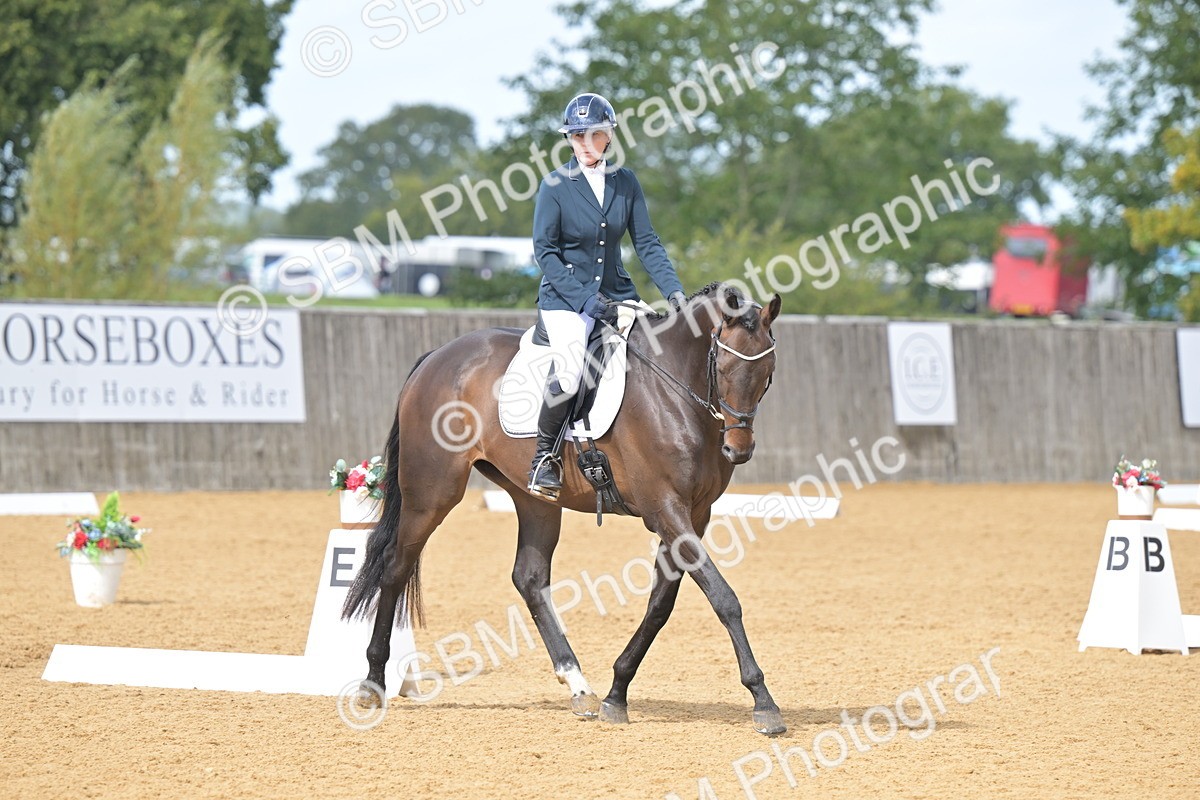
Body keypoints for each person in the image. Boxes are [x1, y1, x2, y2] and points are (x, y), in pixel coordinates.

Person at [527, 91, 686, 498]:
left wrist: (675, 294)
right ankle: (544, 458)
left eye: (592, 135)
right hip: (565, 300)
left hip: (617, 294)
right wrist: (584, 300)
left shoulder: (625, 183)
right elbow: (544, 252)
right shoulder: (555, 186)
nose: (584, 144)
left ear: (608, 136)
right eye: (576, 136)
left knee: (658, 348)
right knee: (571, 367)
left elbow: (647, 242)